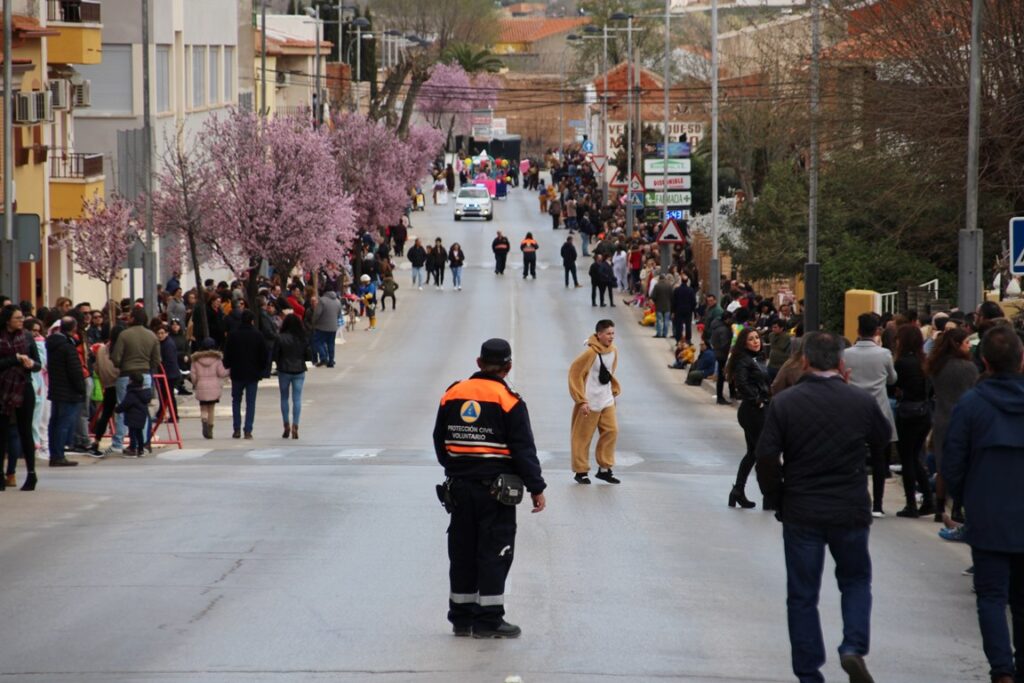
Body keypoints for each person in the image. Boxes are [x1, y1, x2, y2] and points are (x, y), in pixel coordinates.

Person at [756, 331, 892, 683]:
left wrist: (777, 496)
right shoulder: (860, 402)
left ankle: (808, 672)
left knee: (802, 595)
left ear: (804, 361)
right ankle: (853, 647)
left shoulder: (785, 403)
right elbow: (881, 441)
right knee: (856, 580)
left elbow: (766, 455)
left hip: (802, 508)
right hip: (849, 508)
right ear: (842, 363)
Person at [432, 338, 546, 639]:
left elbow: (439, 441)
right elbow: (523, 449)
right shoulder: (509, 401)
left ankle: (461, 618)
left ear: (479, 363)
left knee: (462, 553)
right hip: (494, 494)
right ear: (508, 368)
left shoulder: (452, 394)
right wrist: (536, 487)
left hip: (458, 490)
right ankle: (489, 620)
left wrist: (456, 469)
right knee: (495, 553)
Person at [942, 326, 1024, 683]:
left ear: (984, 362)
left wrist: (959, 500)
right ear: (1021, 361)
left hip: (988, 512)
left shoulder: (972, 404)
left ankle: (1001, 670)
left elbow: (954, 460)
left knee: (991, 596)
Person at [843, 312, 897, 517]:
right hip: (879, 411)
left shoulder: (846, 354)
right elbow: (892, 379)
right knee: (879, 459)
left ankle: (858, 499)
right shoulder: (884, 354)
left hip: (853, 411)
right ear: (877, 331)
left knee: (855, 458)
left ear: (858, 331)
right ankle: (878, 505)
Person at [568, 320, 621, 485]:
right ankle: (581, 471)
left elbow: (610, 372)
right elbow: (574, 374)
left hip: (606, 400)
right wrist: (581, 400)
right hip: (589, 402)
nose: (611, 337)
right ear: (599, 335)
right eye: (608, 333)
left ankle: (605, 469)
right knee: (583, 437)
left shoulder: (614, 351)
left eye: (613, 333)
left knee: (612, 431)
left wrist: (613, 389)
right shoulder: (590, 353)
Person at [891, 324, 935, 518]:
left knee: (907, 457)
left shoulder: (901, 363)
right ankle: (927, 499)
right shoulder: (925, 361)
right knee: (916, 456)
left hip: (908, 412)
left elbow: (893, 386)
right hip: (924, 412)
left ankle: (911, 504)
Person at [724, 327, 770, 510]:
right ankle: (771, 494)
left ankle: (738, 491)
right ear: (744, 343)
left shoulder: (757, 359)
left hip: (759, 410)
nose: (756, 341)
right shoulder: (744, 360)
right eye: (751, 339)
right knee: (765, 452)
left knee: (753, 453)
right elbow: (741, 383)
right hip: (752, 411)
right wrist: (756, 400)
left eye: (757, 338)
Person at [0, 305, 42, 490]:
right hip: (2, 389)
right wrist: (15, 359)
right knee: (2, 433)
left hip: (23, 386)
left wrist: (30, 363)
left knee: (25, 431)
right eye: (17, 318)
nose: (21, 321)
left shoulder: (26, 337)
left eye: (22, 318)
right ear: (8, 319)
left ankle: (31, 474)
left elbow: (38, 364)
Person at [110, 308, 161, 455]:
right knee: (143, 409)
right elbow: (156, 360)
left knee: (122, 407)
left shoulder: (124, 335)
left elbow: (116, 357)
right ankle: (144, 443)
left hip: (126, 374)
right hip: (145, 374)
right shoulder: (152, 336)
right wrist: (147, 366)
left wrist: (121, 365)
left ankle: (119, 441)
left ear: (132, 318)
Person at [222, 310, 268, 439]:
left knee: (236, 401)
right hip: (253, 374)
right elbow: (264, 355)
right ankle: (248, 430)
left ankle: (236, 428)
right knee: (250, 402)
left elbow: (227, 353)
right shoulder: (258, 335)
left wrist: (228, 365)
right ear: (252, 321)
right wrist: (261, 369)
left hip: (237, 373)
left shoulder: (233, 335)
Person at [46, 316, 84, 468]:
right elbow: (75, 370)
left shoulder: (53, 344)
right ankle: (59, 455)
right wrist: (82, 388)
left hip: (56, 389)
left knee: (55, 422)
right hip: (68, 391)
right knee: (63, 423)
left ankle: (54, 453)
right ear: (73, 329)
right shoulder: (68, 347)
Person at [274, 314, 311, 440]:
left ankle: (286, 425)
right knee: (297, 399)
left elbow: (275, 354)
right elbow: (308, 355)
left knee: (284, 398)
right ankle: (296, 424)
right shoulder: (302, 338)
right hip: (299, 370)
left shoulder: (280, 337)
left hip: (284, 370)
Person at [191, 338, 229, 439]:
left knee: (203, 408)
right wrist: (230, 370)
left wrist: (196, 383)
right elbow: (222, 373)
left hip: (201, 386)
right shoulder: (217, 359)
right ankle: (210, 429)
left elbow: (193, 376)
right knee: (211, 409)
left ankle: (204, 422)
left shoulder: (196, 360)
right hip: (214, 387)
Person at [115, 372, 151, 457]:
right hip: (142, 416)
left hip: (132, 416)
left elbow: (126, 404)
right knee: (140, 434)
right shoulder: (144, 393)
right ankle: (141, 450)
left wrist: (117, 409)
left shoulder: (132, 393)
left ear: (131, 381)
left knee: (132, 434)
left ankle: (132, 449)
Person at [311, 289, 341, 368]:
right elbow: (339, 314)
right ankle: (331, 361)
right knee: (331, 344)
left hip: (322, 326)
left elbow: (317, 313)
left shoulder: (322, 301)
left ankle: (323, 357)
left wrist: (313, 322)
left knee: (318, 342)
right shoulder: (338, 301)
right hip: (333, 327)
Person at [710, 310, 735, 405]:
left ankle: (727, 395)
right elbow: (725, 344)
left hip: (718, 353)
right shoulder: (724, 330)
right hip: (723, 355)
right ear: (727, 319)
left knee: (723, 375)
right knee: (722, 376)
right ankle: (720, 397)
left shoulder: (717, 326)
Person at [671, 277, 697, 342]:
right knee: (688, 325)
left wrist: (673, 311)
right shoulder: (690, 290)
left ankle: (678, 339)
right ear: (687, 281)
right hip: (688, 310)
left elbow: (674, 301)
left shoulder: (677, 290)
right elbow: (693, 301)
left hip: (678, 310)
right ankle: (688, 339)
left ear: (681, 281)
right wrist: (693, 310)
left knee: (679, 325)